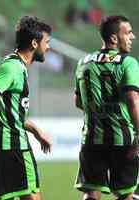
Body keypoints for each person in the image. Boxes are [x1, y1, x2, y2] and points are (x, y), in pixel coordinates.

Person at [0, 16, 52, 200]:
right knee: (33, 196)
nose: (48, 47)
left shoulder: (15, 66)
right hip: (11, 147)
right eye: (47, 42)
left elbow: (10, 113)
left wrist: (36, 131)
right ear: (35, 43)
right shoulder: (12, 67)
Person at [73, 15, 139, 200]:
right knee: (127, 194)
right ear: (113, 38)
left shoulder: (83, 62)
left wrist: (99, 112)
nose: (132, 37)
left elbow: (78, 102)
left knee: (91, 192)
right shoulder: (128, 63)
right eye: (128, 33)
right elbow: (133, 101)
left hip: (92, 139)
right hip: (122, 139)